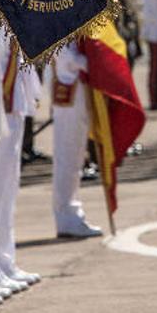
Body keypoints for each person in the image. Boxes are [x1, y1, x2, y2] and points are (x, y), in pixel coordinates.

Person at [50, 42, 103, 238]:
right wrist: (92, 61)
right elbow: (60, 49)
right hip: (68, 81)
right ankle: (66, 215)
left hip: (77, 81)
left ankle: (71, 213)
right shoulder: (54, 11)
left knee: (76, 153)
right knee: (68, 153)